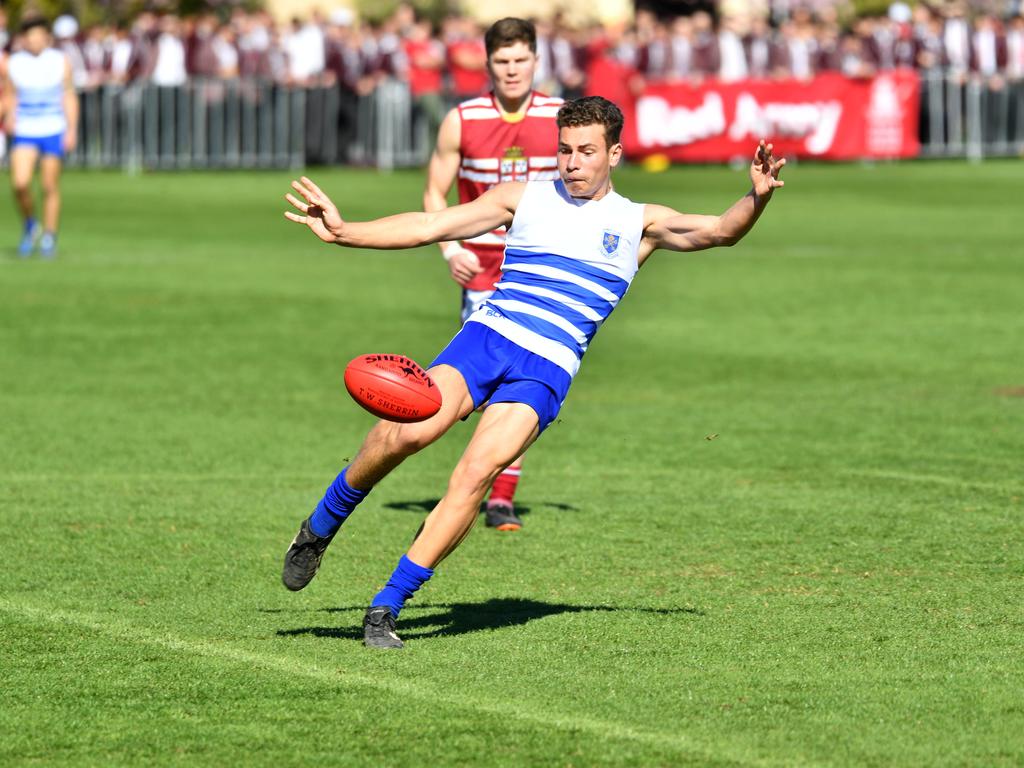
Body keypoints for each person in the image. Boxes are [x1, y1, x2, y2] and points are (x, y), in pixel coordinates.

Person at [281, 96, 785, 649]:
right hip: (488, 338)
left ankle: (387, 607)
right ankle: (322, 524)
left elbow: (718, 230)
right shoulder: (523, 198)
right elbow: (431, 224)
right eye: (565, 150)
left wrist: (754, 199)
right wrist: (346, 231)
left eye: (587, 152)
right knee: (409, 432)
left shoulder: (640, 222)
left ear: (614, 153)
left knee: (475, 475)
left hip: (546, 369)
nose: (572, 162)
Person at [424, 17, 563, 531]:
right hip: (481, 268)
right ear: (488, 64)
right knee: (474, 391)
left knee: (524, 382)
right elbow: (434, 194)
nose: (511, 70)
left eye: (520, 60)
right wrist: (449, 247)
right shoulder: (462, 119)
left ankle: (501, 495)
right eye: (502, 61)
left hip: (542, 267)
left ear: (535, 60)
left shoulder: (560, 116)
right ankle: (474, 487)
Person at [2, 17, 79, 258]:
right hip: (25, 128)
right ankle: (30, 225)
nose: (34, 40)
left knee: (49, 185)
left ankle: (49, 235)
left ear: (47, 37)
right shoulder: (15, 63)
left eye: (39, 35)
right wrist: (10, 115)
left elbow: (68, 94)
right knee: (20, 183)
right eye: (30, 35)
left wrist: (72, 128)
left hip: (52, 127)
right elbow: (11, 95)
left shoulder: (59, 61)